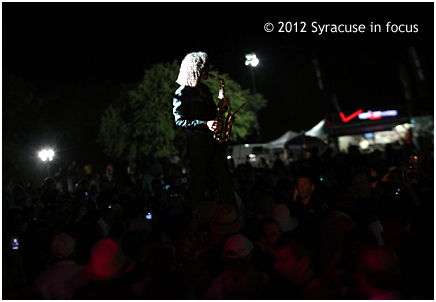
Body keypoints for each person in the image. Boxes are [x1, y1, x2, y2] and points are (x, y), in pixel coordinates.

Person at [173, 51, 236, 210]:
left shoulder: (205, 89)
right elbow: (179, 120)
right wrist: (205, 124)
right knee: (198, 186)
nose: (208, 71)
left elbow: (211, 115)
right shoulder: (182, 92)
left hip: (213, 143)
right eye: (204, 68)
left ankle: (230, 214)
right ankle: (192, 218)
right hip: (198, 146)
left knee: (225, 182)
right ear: (195, 69)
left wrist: (221, 108)